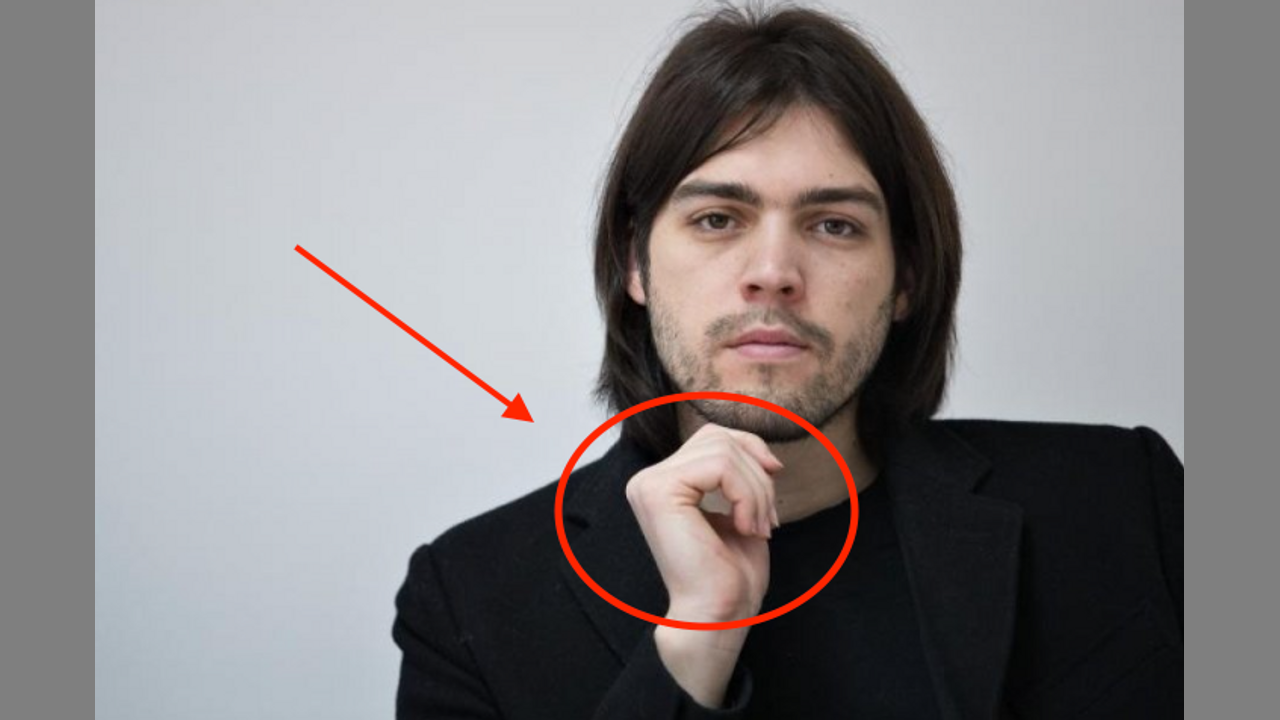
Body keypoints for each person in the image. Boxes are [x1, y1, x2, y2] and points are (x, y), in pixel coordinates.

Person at [392, 4, 1184, 719]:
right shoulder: (468, 598)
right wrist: (693, 640)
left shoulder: (1123, 502)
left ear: (906, 277)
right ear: (635, 262)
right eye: (716, 219)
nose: (773, 272)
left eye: (834, 225)